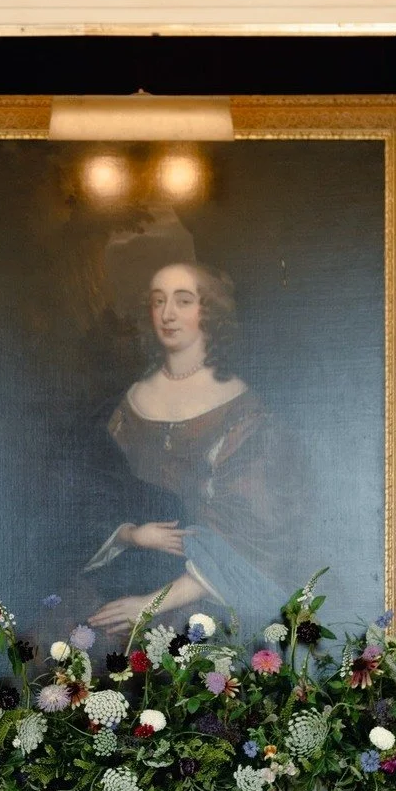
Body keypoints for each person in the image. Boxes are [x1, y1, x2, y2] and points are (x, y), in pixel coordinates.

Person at [84, 261, 299, 640]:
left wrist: (149, 604)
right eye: (158, 301)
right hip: (119, 570)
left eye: (183, 301)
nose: (167, 314)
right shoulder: (124, 403)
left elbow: (252, 537)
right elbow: (90, 496)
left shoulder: (244, 411)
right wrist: (130, 534)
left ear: (209, 312)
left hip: (203, 592)